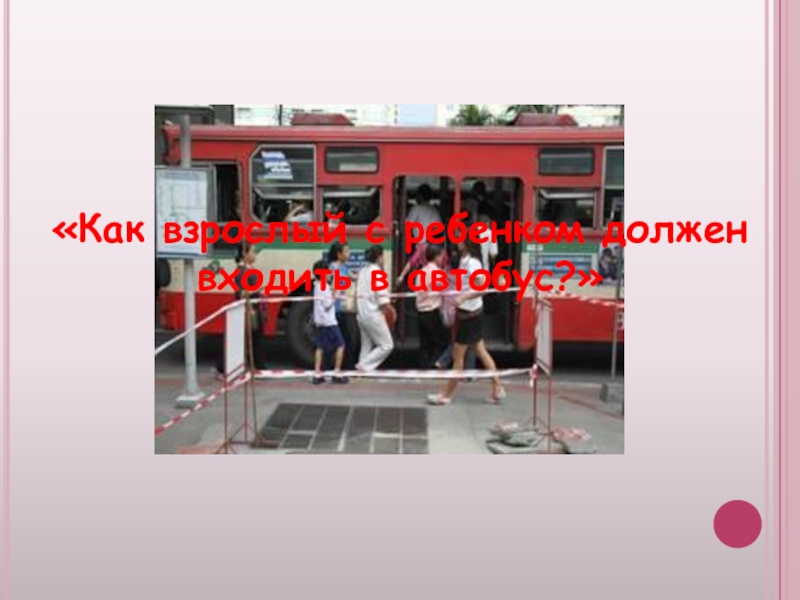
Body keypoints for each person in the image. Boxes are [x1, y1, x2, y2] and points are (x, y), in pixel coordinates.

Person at [427, 238, 506, 406]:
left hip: (469, 316)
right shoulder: (466, 261)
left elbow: (482, 288)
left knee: (458, 357)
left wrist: (463, 297)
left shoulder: (472, 263)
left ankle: (446, 395)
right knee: (480, 351)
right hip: (470, 314)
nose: (456, 242)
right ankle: (498, 387)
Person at [214, 242, 268, 376]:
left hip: (253, 308)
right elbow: (241, 293)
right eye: (253, 251)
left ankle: (257, 367)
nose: (255, 254)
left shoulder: (248, 269)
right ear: (245, 254)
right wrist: (257, 290)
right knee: (245, 340)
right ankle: (223, 367)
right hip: (247, 310)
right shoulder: (241, 272)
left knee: (251, 340)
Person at [355, 245, 395, 372]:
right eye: (383, 256)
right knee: (387, 345)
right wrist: (391, 310)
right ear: (379, 257)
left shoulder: (363, 271)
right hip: (373, 314)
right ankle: (363, 366)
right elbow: (383, 299)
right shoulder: (377, 273)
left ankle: (361, 370)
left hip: (361, 315)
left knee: (366, 345)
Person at [311, 259, 349, 385]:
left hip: (320, 321)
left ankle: (317, 373)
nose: (330, 274)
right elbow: (327, 304)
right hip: (329, 322)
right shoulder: (324, 286)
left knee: (320, 347)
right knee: (341, 344)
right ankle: (336, 373)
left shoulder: (317, 285)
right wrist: (335, 295)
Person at [414, 245, 449, 369]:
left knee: (425, 344)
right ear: (436, 257)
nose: (442, 259)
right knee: (442, 342)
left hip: (420, 311)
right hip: (432, 311)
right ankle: (433, 366)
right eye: (441, 256)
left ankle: (423, 368)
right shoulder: (438, 273)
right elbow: (445, 291)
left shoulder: (420, 272)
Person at [328, 242, 360, 369]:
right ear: (339, 254)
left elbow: (353, 277)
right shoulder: (333, 268)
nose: (349, 254)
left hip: (341, 308)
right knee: (343, 338)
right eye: (346, 251)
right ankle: (344, 365)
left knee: (344, 338)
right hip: (335, 309)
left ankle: (344, 365)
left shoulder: (343, 267)